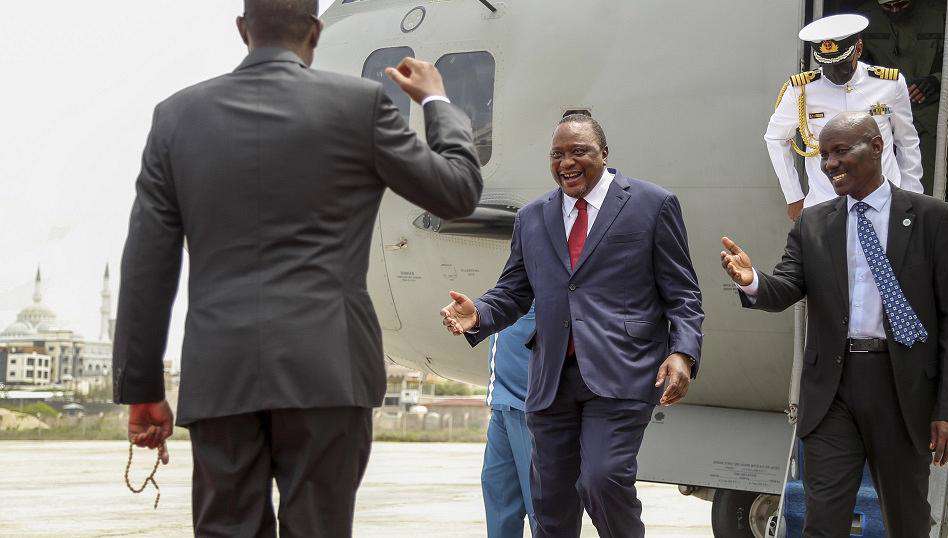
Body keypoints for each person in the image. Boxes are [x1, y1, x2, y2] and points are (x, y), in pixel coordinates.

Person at [112, 0, 483, 535]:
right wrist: (437, 102)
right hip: (329, 369)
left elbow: (147, 265)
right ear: (315, 31)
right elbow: (457, 192)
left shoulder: (176, 117)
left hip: (222, 373)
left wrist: (142, 388)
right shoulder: (361, 106)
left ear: (243, 30)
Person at [440, 113, 704, 537]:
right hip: (551, 379)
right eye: (557, 154)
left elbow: (683, 292)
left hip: (622, 372)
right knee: (550, 503)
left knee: (602, 479)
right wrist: (480, 314)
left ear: (604, 153)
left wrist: (683, 352)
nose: (567, 162)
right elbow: (514, 290)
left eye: (579, 151)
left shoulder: (652, 205)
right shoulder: (532, 216)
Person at [722, 112, 948, 536]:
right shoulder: (814, 222)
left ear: (877, 146)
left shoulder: (933, 219)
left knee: (907, 519)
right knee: (823, 519)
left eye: (840, 151)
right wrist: (753, 281)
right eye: (824, 155)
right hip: (833, 388)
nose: (830, 164)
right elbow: (786, 286)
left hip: (901, 387)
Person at [766, 13, 924, 221]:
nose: (834, 73)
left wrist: (911, 194)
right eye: (826, 66)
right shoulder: (801, 90)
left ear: (858, 49)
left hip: (884, 201)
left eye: (841, 64)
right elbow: (776, 138)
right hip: (826, 204)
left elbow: (907, 141)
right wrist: (794, 196)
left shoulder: (889, 84)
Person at [856, 0, 948, 198]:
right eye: (888, 7)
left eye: (901, 5)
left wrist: (937, 80)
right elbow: (854, 68)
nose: (895, 11)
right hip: (881, 115)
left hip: (932, 117)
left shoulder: (942, 14)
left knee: (929, 191)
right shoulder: (864, 18)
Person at [482, 303, 537, 537]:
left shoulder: (547, 285)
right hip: (502, 404)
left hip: (529, 408)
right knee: (498, 495)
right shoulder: (508, 288)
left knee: (540, 503)